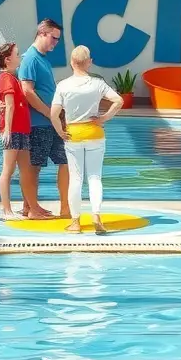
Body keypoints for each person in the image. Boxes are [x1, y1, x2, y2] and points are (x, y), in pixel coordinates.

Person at [50, 45, 123, 235]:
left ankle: (75, 222)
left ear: (72, 63)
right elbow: (119, 101)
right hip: (95, 134)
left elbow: (54, 113)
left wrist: (60, 131)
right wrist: (104, 118)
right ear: (89, 62)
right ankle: (96, 216)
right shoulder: (97, 84)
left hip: (73, 134)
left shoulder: (63, 85)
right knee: (94, 177)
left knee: (75, 178)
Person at [18, 19, 70, 218]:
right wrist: (50, 113)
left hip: (51, 121)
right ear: (42, 33)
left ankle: (60, 207)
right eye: (54, 38)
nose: (56, 43)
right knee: (34, 166)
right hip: (39, 123)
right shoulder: (30, 59)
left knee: (64, 161)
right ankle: (30, 208)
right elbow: (27, 92)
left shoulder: (43, 59)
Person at [0, 42, 52, 221]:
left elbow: (12, 104)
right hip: (13, 132)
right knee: (8, 170)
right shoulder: (6, 79)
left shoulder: (15, 79)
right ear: (8, 59)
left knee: (26, 169)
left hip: (23, 130)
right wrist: (7, 131)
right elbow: (9, 106)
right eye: (17, 55)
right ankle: (6, 210)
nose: (20, 58)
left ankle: (31, 207)